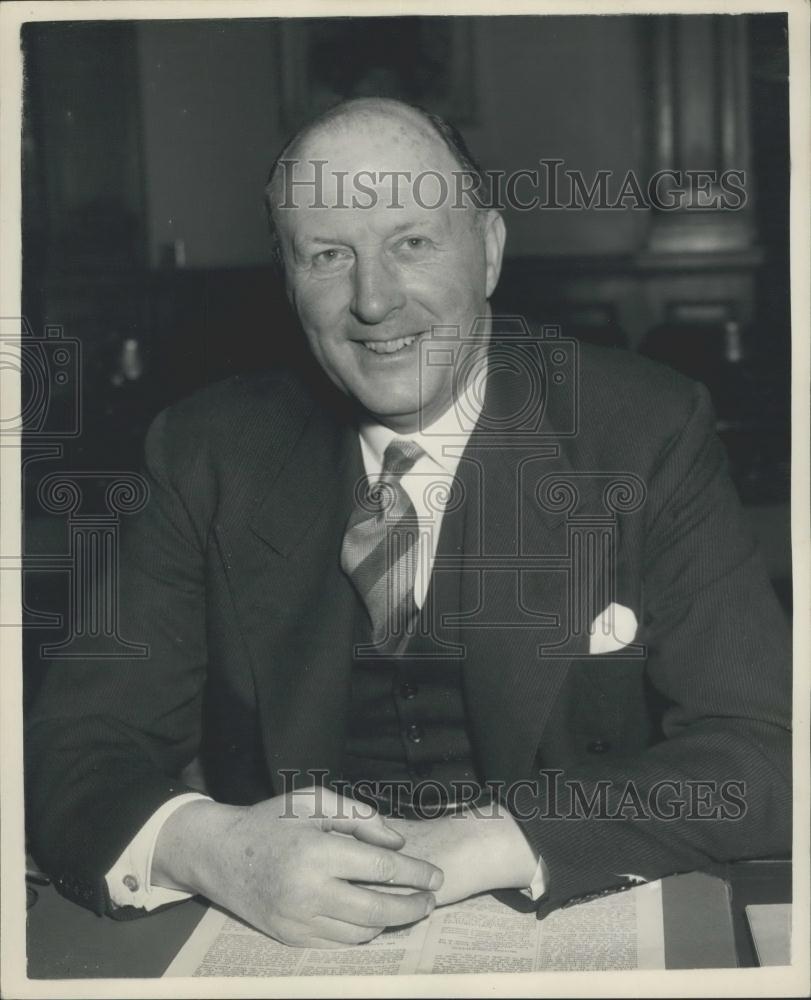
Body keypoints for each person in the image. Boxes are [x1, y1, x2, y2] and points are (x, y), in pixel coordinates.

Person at [26, 98, 791, 949]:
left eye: (412, 242)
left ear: (490, 251)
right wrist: (214, 849)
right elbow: (71, 748)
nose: (374, 301)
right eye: (327, 256)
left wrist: (486, 842)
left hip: (562, 918)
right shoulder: (204, 450)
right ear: (287, 278)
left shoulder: (643, 430)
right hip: (283, 944)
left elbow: (767, 750)